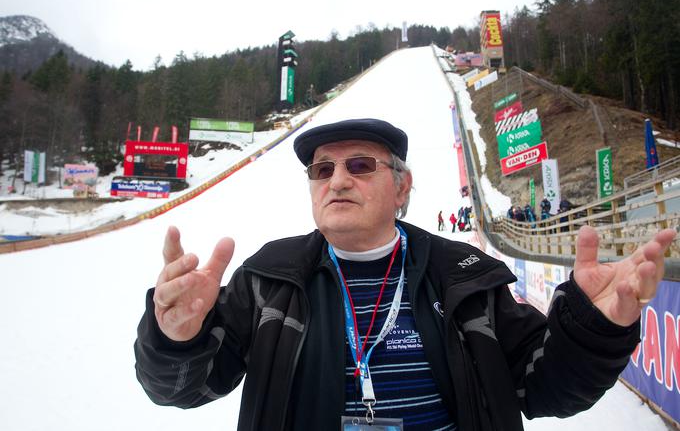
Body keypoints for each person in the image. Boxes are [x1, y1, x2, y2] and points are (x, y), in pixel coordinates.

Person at [134, 118, 676, 431]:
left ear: (402, 187)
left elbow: (545, 388)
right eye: (323, 169)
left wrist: (593, 328)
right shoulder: (269, 278)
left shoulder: (464, 277)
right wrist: (174, 340)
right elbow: (183, 390)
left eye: (360, 165)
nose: (337, 180)